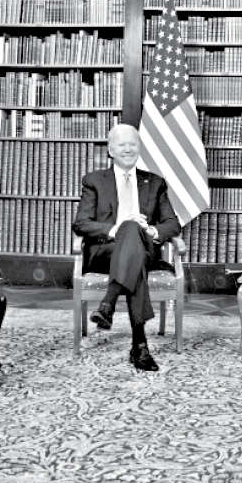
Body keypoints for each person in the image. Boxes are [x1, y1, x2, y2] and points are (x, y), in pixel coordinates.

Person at [72, 123, 180, 371]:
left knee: (134, 235)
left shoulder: (155, 182)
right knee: (130, 234)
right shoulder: (94, 181)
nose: (128, 149)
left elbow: (171, 223)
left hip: (144, 249)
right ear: (111, 150)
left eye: (133, 144)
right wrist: (116, 228)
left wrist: (152, 231)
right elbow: (81, 223)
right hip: (105, 251)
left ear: (139, 148)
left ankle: (108, 303)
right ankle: (139, 345)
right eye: (122, 145)